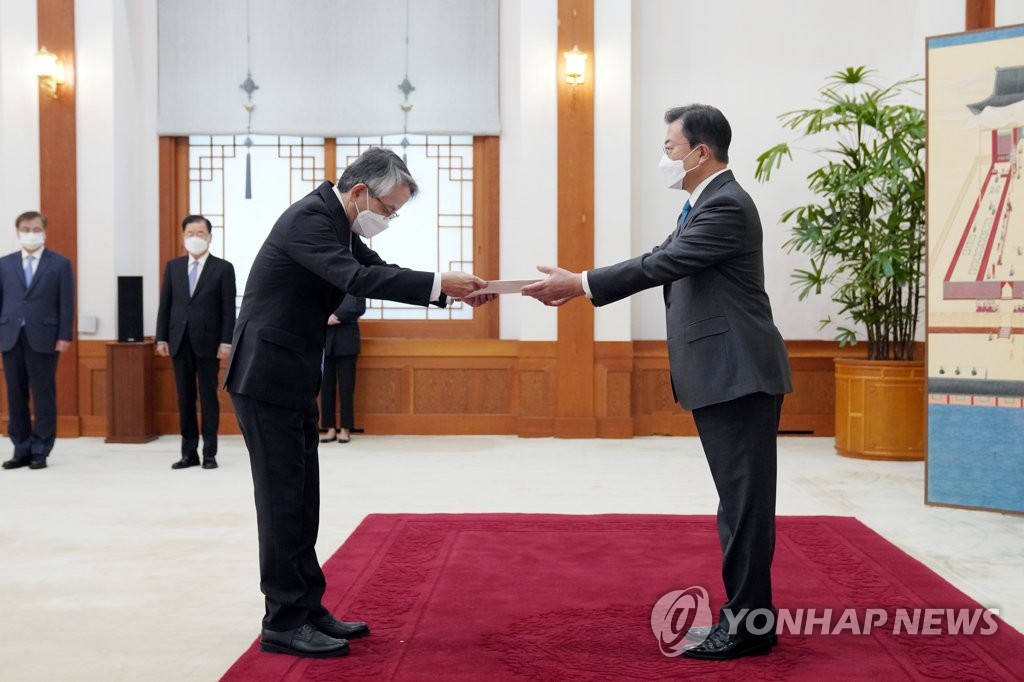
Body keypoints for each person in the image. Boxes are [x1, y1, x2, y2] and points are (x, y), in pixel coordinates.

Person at [522, 104, 793, 661]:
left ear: (700, 152)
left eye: (670, 148)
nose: (665, 157)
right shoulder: (705, 203)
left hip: (739, 374)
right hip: (726, 373)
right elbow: (663, 257)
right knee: (738, 505)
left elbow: (662, 264)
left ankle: (747, 627)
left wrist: (581, 284)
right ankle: (754, 622)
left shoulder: (727, 205)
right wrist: (582, 283)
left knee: (743, 507)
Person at [225, 147, 495, 659]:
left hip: (294, 372)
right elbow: (357, 280)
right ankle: (282, 620)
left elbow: (377, 268)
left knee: (303, 499)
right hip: (266, 376)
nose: (387, 220)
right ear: (358, 193)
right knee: (282, 502)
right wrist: (441, 284)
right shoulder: (310, 219)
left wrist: (447, 291)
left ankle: (307, 606)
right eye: (388, 210)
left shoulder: (338, 222)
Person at [155, 215, 236, 470]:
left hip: (209, 342)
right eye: (190, 233)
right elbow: (165, 305)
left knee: (208, 398)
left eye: (201, 233)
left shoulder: (223, 268)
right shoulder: (173, 267)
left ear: (210, 237)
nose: (195, 238)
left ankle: (209, 452)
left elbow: (227, 309)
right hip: (179, 341)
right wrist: (161, 337)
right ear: (183, 237)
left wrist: (226, 341)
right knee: (185, 398)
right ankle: (188, 453)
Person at [0, 211, 74, 470]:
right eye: (25, 229)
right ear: (18, 231)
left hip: (45, 337)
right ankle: (21, 449)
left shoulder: (60, 264)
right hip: (10, 337)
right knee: (15, 395)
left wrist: (65, 334)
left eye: (35, 229)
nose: (30, 233)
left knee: (43, 395)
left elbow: (66, 302)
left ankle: (41, 449)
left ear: (44, 231)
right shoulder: (4, 264)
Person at [319, 294, 365, 444]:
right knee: (326, 387)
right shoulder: (326, 282)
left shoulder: (356, 285)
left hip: (347, 340)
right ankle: (330, 427)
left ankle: (345, 428)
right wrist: (326, 317)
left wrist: (336, 316)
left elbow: (359, 308)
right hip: (326, 340)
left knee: (346, 387)